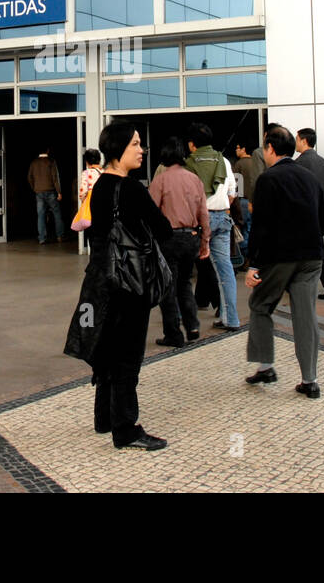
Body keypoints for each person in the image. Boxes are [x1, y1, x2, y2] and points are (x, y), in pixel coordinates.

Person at [64, 122, 173, 451]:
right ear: (119, 149)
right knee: (128, 356)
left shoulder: (98, 188)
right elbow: (163, 229)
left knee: (108, 348)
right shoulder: (133, 189)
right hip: (130, 285)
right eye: (136, 144)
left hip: (100, 281)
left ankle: (104, 418)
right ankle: (125, 429)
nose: (142, 150)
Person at [243, 126, 324, 397]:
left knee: (259, 304)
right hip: (312, 255)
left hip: (280, 256)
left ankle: (266, 366)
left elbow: (261, 226)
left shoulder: (268, 179)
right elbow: (323, 217)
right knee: (305, 317)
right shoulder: (310, 177)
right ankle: (310, 380)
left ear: (269, 148)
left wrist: (254, 265)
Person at [148, 138, 209, 348]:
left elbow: (151, 214)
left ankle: (173, 334)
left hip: (169, 239)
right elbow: (204, 213)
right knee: (184, 284)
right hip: (191, 237)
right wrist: (205, 241)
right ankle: (192, 327)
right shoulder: (194, 179)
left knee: (168, 287)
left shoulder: (160, 181)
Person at [186, 122, 239, 330]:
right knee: (225, 270)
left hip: (198, 221)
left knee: (183, 272)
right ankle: (231, 319)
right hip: (222, 219)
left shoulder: (188, 164)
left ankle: (185, 320)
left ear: (191, 145)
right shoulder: (224, 160)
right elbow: (232, 194)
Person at [293, 128, 324, 299]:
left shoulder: (299, 164)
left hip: (305, 217)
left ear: (304, 141)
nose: (295, 142)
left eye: (297, 139)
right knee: (315, 251)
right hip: (320, 215)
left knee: (318, 253)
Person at [28, 148, 64, 244]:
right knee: (57, 213)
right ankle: (59, 236)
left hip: (39, 192)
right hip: (51, 191)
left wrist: (35, 188)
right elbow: (55, 177)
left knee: (41, 215)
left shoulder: (33, 163)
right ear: (48, 151)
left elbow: (29, 177)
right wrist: (59, 192)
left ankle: (42, 238)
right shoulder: (51, 162)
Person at [232, 142, 259, 258]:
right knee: (251, 229)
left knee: (241, 232)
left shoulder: (239, 164)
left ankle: (244, 257)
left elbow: (234, 186)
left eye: (238, 148)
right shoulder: (256, 162)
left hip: (242, 201)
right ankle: (251, 257)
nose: (236, 150)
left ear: (244, 149)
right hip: (255, 201)